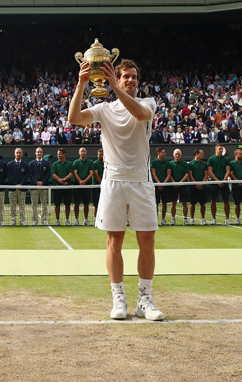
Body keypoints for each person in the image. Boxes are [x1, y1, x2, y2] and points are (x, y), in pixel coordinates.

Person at [68, 57, 164, 322]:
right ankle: (118, 298)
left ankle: (145, 300)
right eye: (125, 77)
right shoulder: (103, 108)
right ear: (118, 78)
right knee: (114, 241)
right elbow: (74, 118)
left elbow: (140, 115)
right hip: (113, 181)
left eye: (134, 77)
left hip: (141, 181)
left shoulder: (147, 104)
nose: (131, 80)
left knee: (147, 241)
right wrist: (81, 83)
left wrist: (114, 86)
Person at [207, 144, 231, 225]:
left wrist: (223, 181)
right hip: (214, 183)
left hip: (224, 183)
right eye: (220, 149)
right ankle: (213, 219)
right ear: (215, 149)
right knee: (213, 200)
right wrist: (217, 181)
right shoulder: (211, 159)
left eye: (222, 149)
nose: (221, 150)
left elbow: (228, 171)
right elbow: (210, 171)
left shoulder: (226, 159)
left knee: (226, 201)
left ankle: (227, 219)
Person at [227, 148, 242, 224]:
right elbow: (231, 173)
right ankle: (237, 218)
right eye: (240, 154)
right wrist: (238, 182)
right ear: (236, 155)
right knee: (237, 203)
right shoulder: (232, 163)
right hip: (236, 187)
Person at [28, 146, 50, 226]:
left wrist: (42, 182)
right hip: (34, 187)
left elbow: (48, 174)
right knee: (34, 205)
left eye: (41, 152)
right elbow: (30, 174)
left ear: (42, 153)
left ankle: (44, 220)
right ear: (35, 153)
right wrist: (36, 182)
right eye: (38, 152)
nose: (39, 153)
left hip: (44, 187)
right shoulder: (31, 163)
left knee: (44, 204)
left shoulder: (46, 163)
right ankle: (34, 220)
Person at [72, 146, 94, 226]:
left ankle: (86, 220)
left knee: (86, 203)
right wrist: (80, 181)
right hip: (77, 185)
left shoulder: (90, 162)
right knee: (76, 203)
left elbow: (91, 173)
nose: (83, 152)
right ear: (79, 153)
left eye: (84, 151)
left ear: (86, 152)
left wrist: (84, 181)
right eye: (82, 151)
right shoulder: (76, 162)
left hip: (87, 185)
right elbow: (75, 173)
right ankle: (76, 220)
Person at [50, 148, 73, 226]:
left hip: (67, 187)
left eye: (60, 154)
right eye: (57, 154)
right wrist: (60, 180)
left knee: (67, 204)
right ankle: (57, 220)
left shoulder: (69, 164)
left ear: (64, 154)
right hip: (57, 187)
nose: (58, 155)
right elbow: (54, 175)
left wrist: (64, 179)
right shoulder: (55, 164)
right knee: (57, 204)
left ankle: (67, 220)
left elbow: (70, 174)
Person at [151, 147, 172, 226]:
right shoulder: (153, 162)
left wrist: (163, 184)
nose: (165, 153)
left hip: (165, 186)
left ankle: (163, 220)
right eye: (163, 152)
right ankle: (155, 220)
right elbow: (154, 174)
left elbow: (169, 174)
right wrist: (159, 183)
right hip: (156, 186)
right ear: (158, 153)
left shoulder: (167, 163)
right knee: (155, 203)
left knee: (164, 203)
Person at [187, 148, 209, 225]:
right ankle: (192, 219)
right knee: (192, 203)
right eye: (201, 153)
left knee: (202, 203)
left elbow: (206, 175)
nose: (203, 155)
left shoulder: (204, 164)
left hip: (203, 187)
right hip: (193, 187)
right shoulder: (190, 164)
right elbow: (190, 175)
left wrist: (201, 184)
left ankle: (203, 219)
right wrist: (196, 184)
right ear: (197, 154)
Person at [7, 148, 29, 226]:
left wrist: (21, 184)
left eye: (20, 153)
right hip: (12, 189)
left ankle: (22, 220)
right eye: (17, 153)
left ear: (22, 154)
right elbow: (9, 175)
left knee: (22, 205)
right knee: (12, 205)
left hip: (22, 189)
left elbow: (26, 176)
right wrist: (16, 185)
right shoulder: (9, 164)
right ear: (14, 154)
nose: (18, 154)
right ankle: (13, 220)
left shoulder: (25, 164)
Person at [167, 148, 188, 225]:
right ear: (173, 155)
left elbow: (187, 174)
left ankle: (185, 219)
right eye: (176, 154)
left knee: (184, 203)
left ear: (181, 155)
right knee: (173, 203)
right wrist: (174, 182)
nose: (177, 155)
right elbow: (170, 175)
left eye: (178, 154)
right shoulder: (170, 164)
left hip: (183, 186)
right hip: (173, 186)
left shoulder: (184, 164)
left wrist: (180, 182)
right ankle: (173, 219)